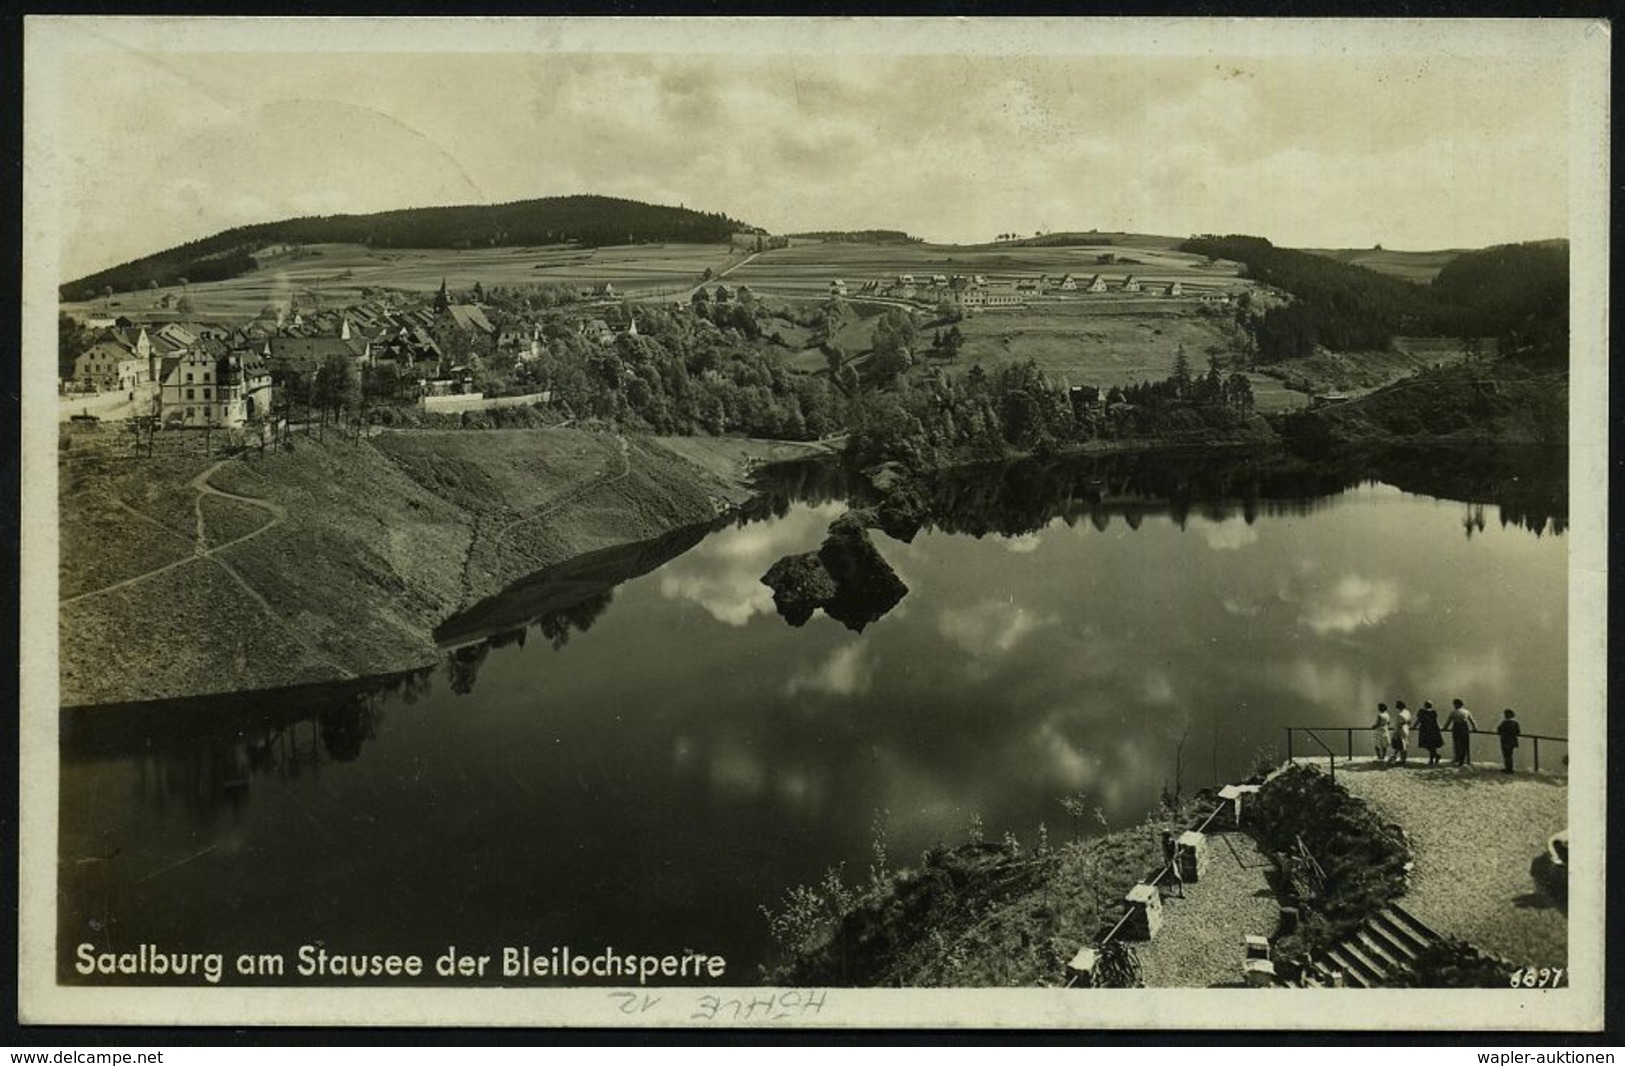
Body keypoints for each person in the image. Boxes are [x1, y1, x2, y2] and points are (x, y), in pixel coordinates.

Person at [1446, 698, 1478, 767]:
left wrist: (1445, 728)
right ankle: (1463, 759)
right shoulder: (1466, 711)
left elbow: (1448, 721)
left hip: (1456, 727)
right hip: (1464, 727)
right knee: (1464, 744)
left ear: (1456, 705)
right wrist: (1475, 728)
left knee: (1456, 743)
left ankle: (1457, 758)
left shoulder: (1453, 712)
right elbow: (1472, 721)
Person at [1416, 700, 1444, 765]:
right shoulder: (1434, 712)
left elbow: (1419, 720)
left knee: (1427, 744)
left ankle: (1433, 758)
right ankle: (1435, 757)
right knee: (1432, 745)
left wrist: (1414, 726)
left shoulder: (1422, 712)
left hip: (1425, 729)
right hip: (1433, 729)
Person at [1497, 708, 1522, 773]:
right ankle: (1510, 768)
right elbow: (1518, 732)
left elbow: (1499, 730)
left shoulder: (1504, 723)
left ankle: (1508, 769)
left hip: (1505, 741)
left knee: (1506, 755)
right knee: (1510, 755)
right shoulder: (1515, 723)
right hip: (1512, 741)